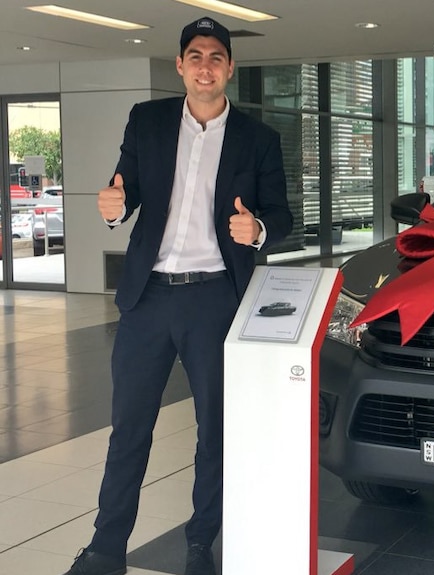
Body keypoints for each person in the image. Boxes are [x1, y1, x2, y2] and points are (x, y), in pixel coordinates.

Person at [64, 16, 292, 575]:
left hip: (214, 300)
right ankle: (105, 549)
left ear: (230, 68)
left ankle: (200, 540)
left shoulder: (258, 138)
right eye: (195, 55)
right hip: (147, 299)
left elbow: (283, 215)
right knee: (128, 429)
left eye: (216, 56)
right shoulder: (147, 120)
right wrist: (114, 210)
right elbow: (125, 191)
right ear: (180, 66)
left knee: (214, 429)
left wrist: (258, 231)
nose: (206, 65)